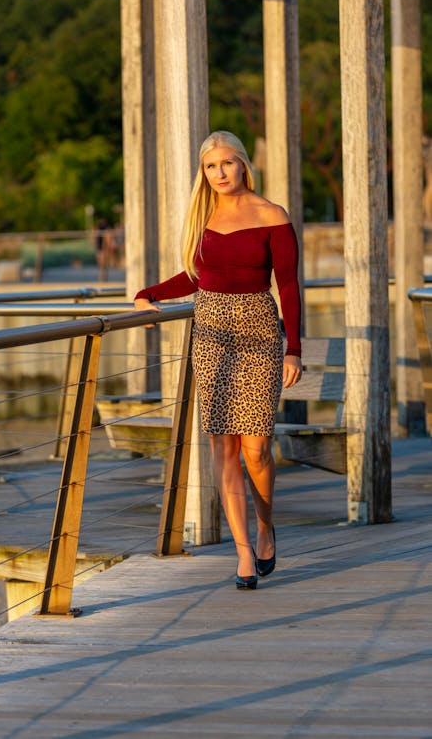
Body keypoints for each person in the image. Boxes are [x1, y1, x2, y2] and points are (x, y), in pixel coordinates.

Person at [134, 130, 302, 590]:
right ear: (203, 173)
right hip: (210, 333)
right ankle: (244, 552)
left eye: (228, 163)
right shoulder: (202, 216)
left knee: (257, 448)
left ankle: (266, 524)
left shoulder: (272, 215)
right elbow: (195, 276)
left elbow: (287, 285)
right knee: (222, 446)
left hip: (259, 331)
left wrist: (294, 349)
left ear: (244, 164)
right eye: (211, 166)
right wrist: (148, 293)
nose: (220, 173)